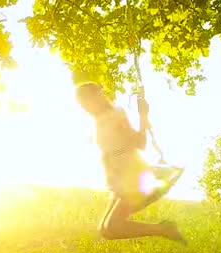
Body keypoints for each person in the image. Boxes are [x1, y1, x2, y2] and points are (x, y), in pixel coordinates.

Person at [75, 82, 186, 244]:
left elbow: (140, 143)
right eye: (81, 103)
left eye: (86, 101)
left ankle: (165, 229)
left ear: (98, 96)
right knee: (106, 231)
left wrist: (143, 116)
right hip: (119, 179)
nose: (84, 107)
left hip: (132, 173)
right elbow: (109, 152)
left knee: (114, 225)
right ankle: (164, 229)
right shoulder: (98, 121)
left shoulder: (116, 115)